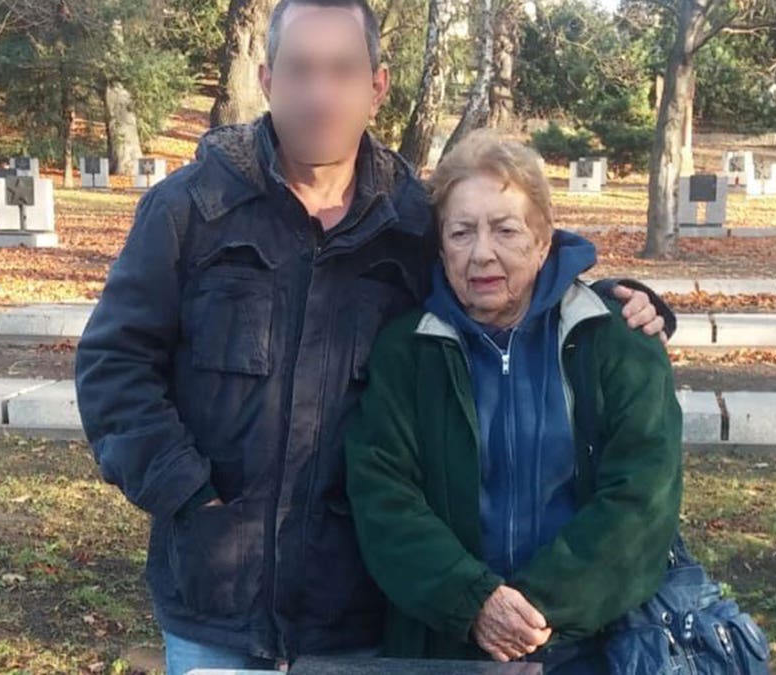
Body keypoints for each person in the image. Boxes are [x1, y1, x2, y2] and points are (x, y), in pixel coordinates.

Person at [74, 0, 674, 671]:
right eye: (300, 70)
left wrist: (618, 301)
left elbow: (504, 268)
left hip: (353, 612)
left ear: (376, 86)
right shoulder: (190, 210)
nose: (320, 94)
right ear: (268, 80)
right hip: (216, 600)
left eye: (342, 70)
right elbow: (113, 365)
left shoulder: (412, 222)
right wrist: (187, 491)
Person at [345, 132, 684, 673]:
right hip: (443, 644)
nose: (482, 252)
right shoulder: (407, 351)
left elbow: (643, 496)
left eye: (506, 229)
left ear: (544, 240)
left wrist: (535, 612)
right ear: (441, 247)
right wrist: (475, 602)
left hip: (591, 646)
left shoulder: (614, 339)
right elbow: (383, 497)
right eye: (461, 232)